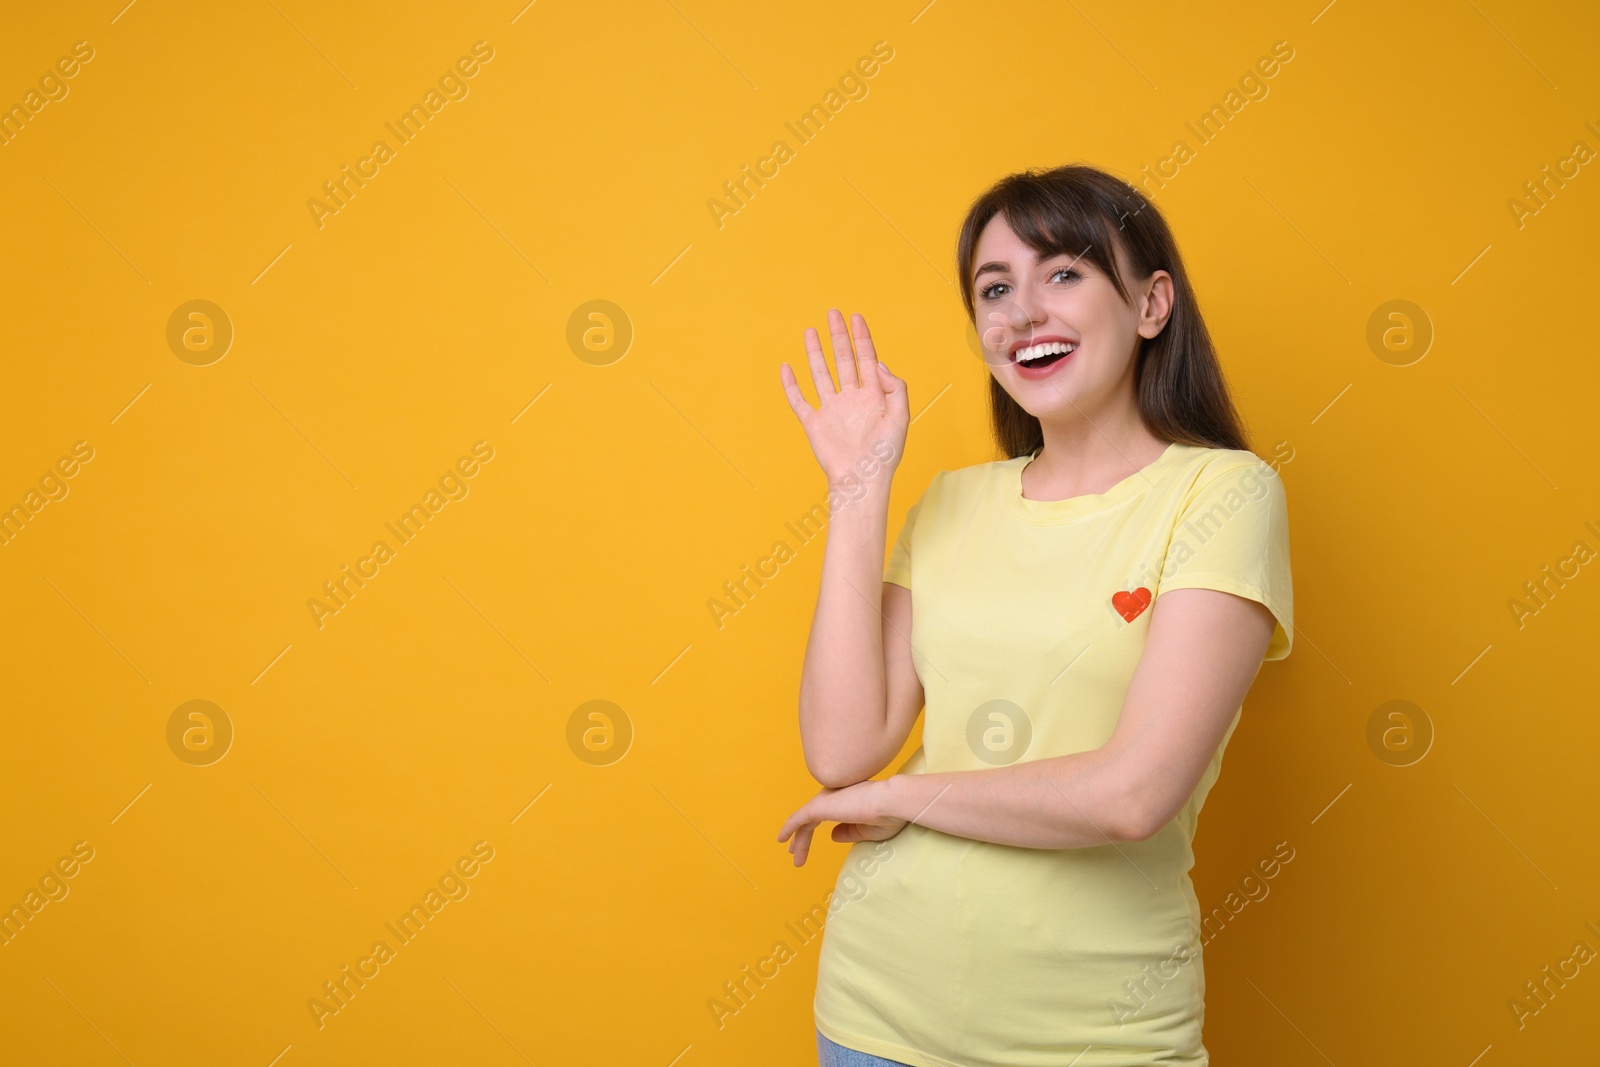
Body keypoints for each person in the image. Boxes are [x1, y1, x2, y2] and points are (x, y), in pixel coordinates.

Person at [774, 163, 1294, 1067]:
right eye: (994, 288)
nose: (1021, 312)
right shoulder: (950, 502)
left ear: (1151, 304)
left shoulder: (1223, 494)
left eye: (1063, 273)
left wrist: (907, 796)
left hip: (1094, 1035)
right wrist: (858, 488)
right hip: (875, 1016)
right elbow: (841, 749)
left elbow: (1133, 794)